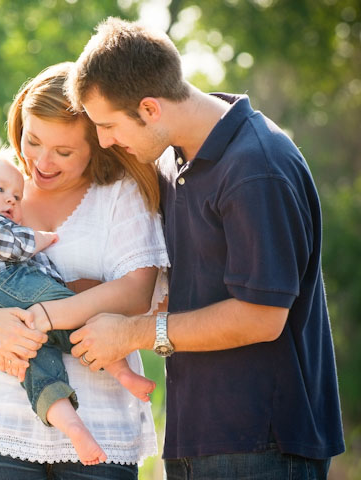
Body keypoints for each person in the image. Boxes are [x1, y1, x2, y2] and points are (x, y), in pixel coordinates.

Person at [65, 17, 345, 479]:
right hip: (200, 437)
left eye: (108, 125)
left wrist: (135, 332)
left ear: (151, 109)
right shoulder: (175, 161)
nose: (104, 140)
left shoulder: (257, 167)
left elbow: (262, 316)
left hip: (265, 443)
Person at [0, 62, 169, 479]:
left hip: (100, 422)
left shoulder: (118, 196)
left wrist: (45, 314)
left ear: (98, 144)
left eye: (64, 151)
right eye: (32, 140)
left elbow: (135, 293)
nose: (41, 162)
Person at [0, 151, 157, 465]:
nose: (11, 200)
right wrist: (36, 239)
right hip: (1, 290)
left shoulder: (116, 194)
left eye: (17, 196)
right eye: (1, 191)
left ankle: (75, 422)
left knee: (40, 370)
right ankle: (116, 378)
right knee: (77, 319)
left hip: (5, 308)